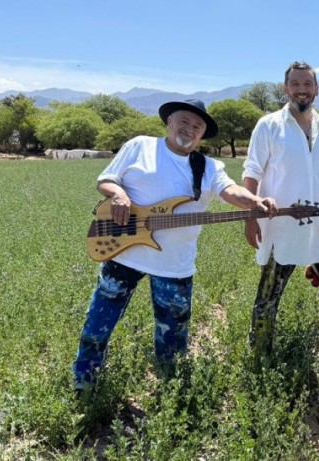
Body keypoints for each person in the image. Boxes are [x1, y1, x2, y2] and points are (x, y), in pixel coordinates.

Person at [73, 99, 273, 390]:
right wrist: (117, 195)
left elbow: (230, 191)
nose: (189, 129)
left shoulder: (208, 167)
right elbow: (106, 179)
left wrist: (255, 201)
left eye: (197, 126)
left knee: (173, 336)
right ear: (169, 122)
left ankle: (170, 393)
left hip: (174, 264)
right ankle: (84, 385)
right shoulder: (139, 146)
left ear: (202, 134)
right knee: (97, 326)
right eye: (184, 122)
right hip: (122, 254)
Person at [243, 61, 319, 357]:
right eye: (295, 84)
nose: (302, 90)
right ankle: (260, 355)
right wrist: (250, 215)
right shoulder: (269, 125)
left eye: (308, 84)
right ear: (286, 89)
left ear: (317, 89)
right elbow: (252, 171)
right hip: (281, 226)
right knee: (268, 297)